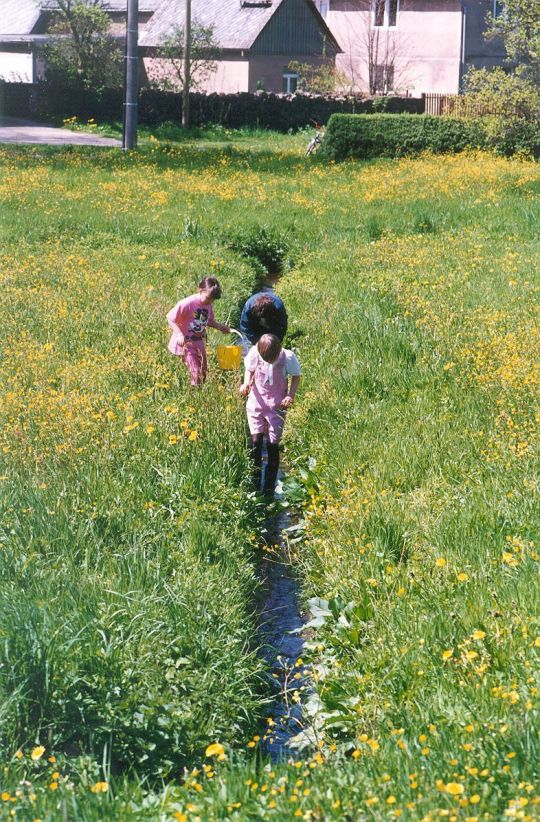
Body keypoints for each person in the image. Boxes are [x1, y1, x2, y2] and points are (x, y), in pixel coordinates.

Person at [239, 333, 301, 498]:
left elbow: (296, 376)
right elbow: (250, 369)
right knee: (256, 441)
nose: (269, 362)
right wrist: (246, 383)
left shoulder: (287, 357)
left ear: (279, 350)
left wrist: (291, 396)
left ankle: (268, 489)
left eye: (271, 359)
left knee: (273, 444)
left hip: (277, 405)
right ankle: (254, 482)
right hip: (256, 402)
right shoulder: (255, 353)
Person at [167, 276, 229, 386]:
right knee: (196, 373)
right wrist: (179, 334)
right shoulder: (187, 303)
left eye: (213, 300)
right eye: (209, 298)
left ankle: (199, 394)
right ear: (200, 290)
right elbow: (170, 318)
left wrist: (220, 327)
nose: (210, 301)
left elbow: (209, 321)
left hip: (198, 342)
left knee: (203, 372)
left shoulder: (208, 305)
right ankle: (193, 396)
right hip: (186, 343)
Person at [240, 273, 288, 345]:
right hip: (255, 324)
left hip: (273, 322)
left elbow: (282, 326)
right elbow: (245, 327)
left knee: (272, 339)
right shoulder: (248, 307)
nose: (263, 321)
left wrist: (276, 342)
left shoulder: (278, 307)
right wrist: (256, 342)